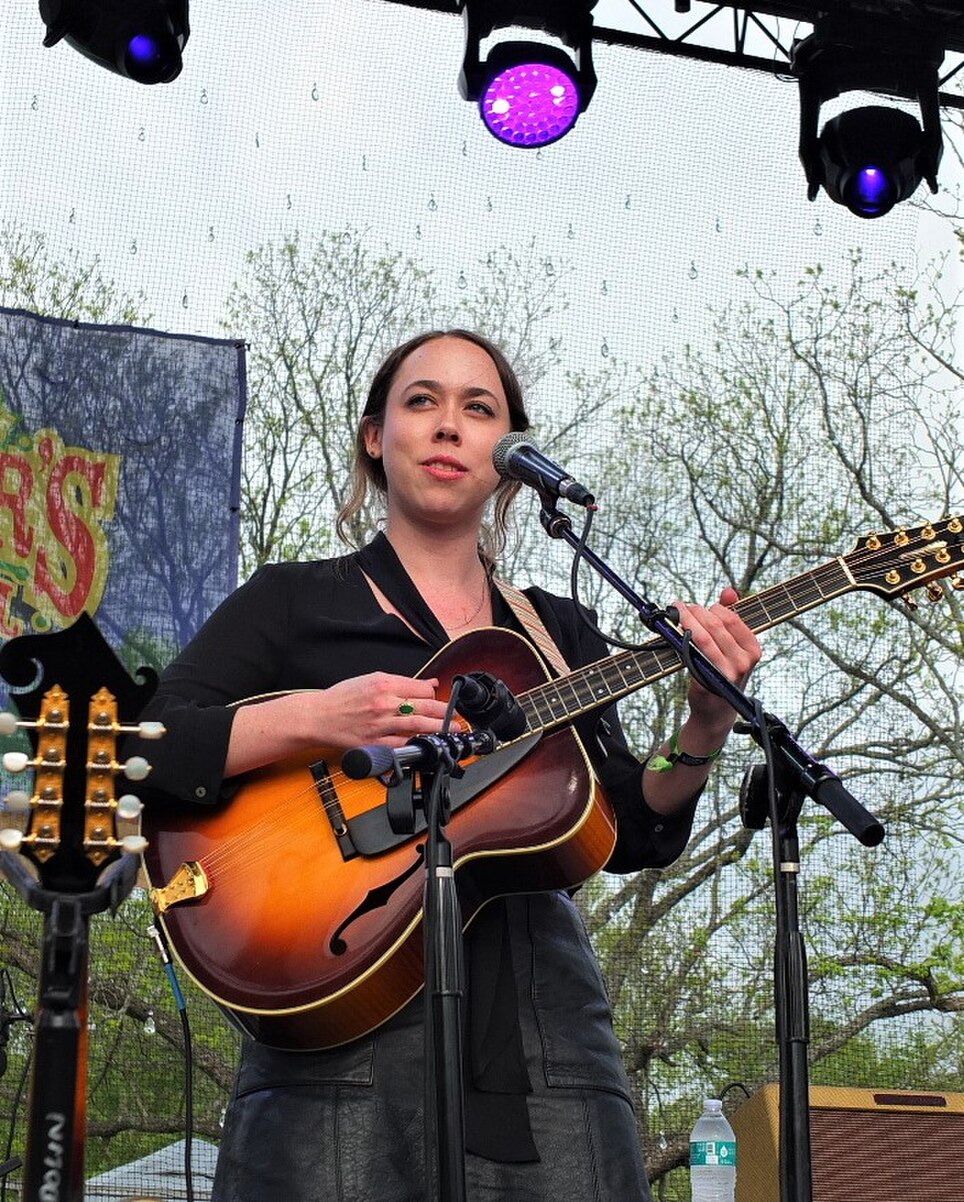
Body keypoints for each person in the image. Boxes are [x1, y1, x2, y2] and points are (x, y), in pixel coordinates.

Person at [133, 329, 761, 1202]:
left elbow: (632, 823)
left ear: (509, 458)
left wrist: (703, 724)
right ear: (373, 435)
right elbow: (144, 747)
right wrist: (314, 716)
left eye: (479, 410)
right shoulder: (291, 600)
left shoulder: (557, 633)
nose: (447, 427)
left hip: (545, 1036)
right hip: (337, 1014)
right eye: (421, 401)